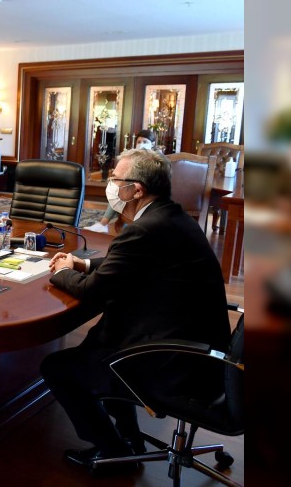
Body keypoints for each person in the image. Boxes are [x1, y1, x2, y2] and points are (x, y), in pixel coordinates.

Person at [41, 148, 231, 475]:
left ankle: (114, 453)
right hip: (202, 353)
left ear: (136, 189)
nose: (111, 185)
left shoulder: (144, 229)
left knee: (58, 367)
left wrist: (62, 272)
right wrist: (84, 264)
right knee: (101, 339)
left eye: (115, 179)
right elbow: (133, 261)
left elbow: (92, 291)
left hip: (173, 361)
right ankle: (129, 438)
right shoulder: (170, 217)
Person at [84, 129, 157, 233]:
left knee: (122, 192)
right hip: (133, 187)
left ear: (152, 144)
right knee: (117, 190)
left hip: (148, 191)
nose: (141, 144)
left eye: (145, 142)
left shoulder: (157, 160)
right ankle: (103, 224)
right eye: (139, 142)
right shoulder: (134, 157)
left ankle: (104, 224)